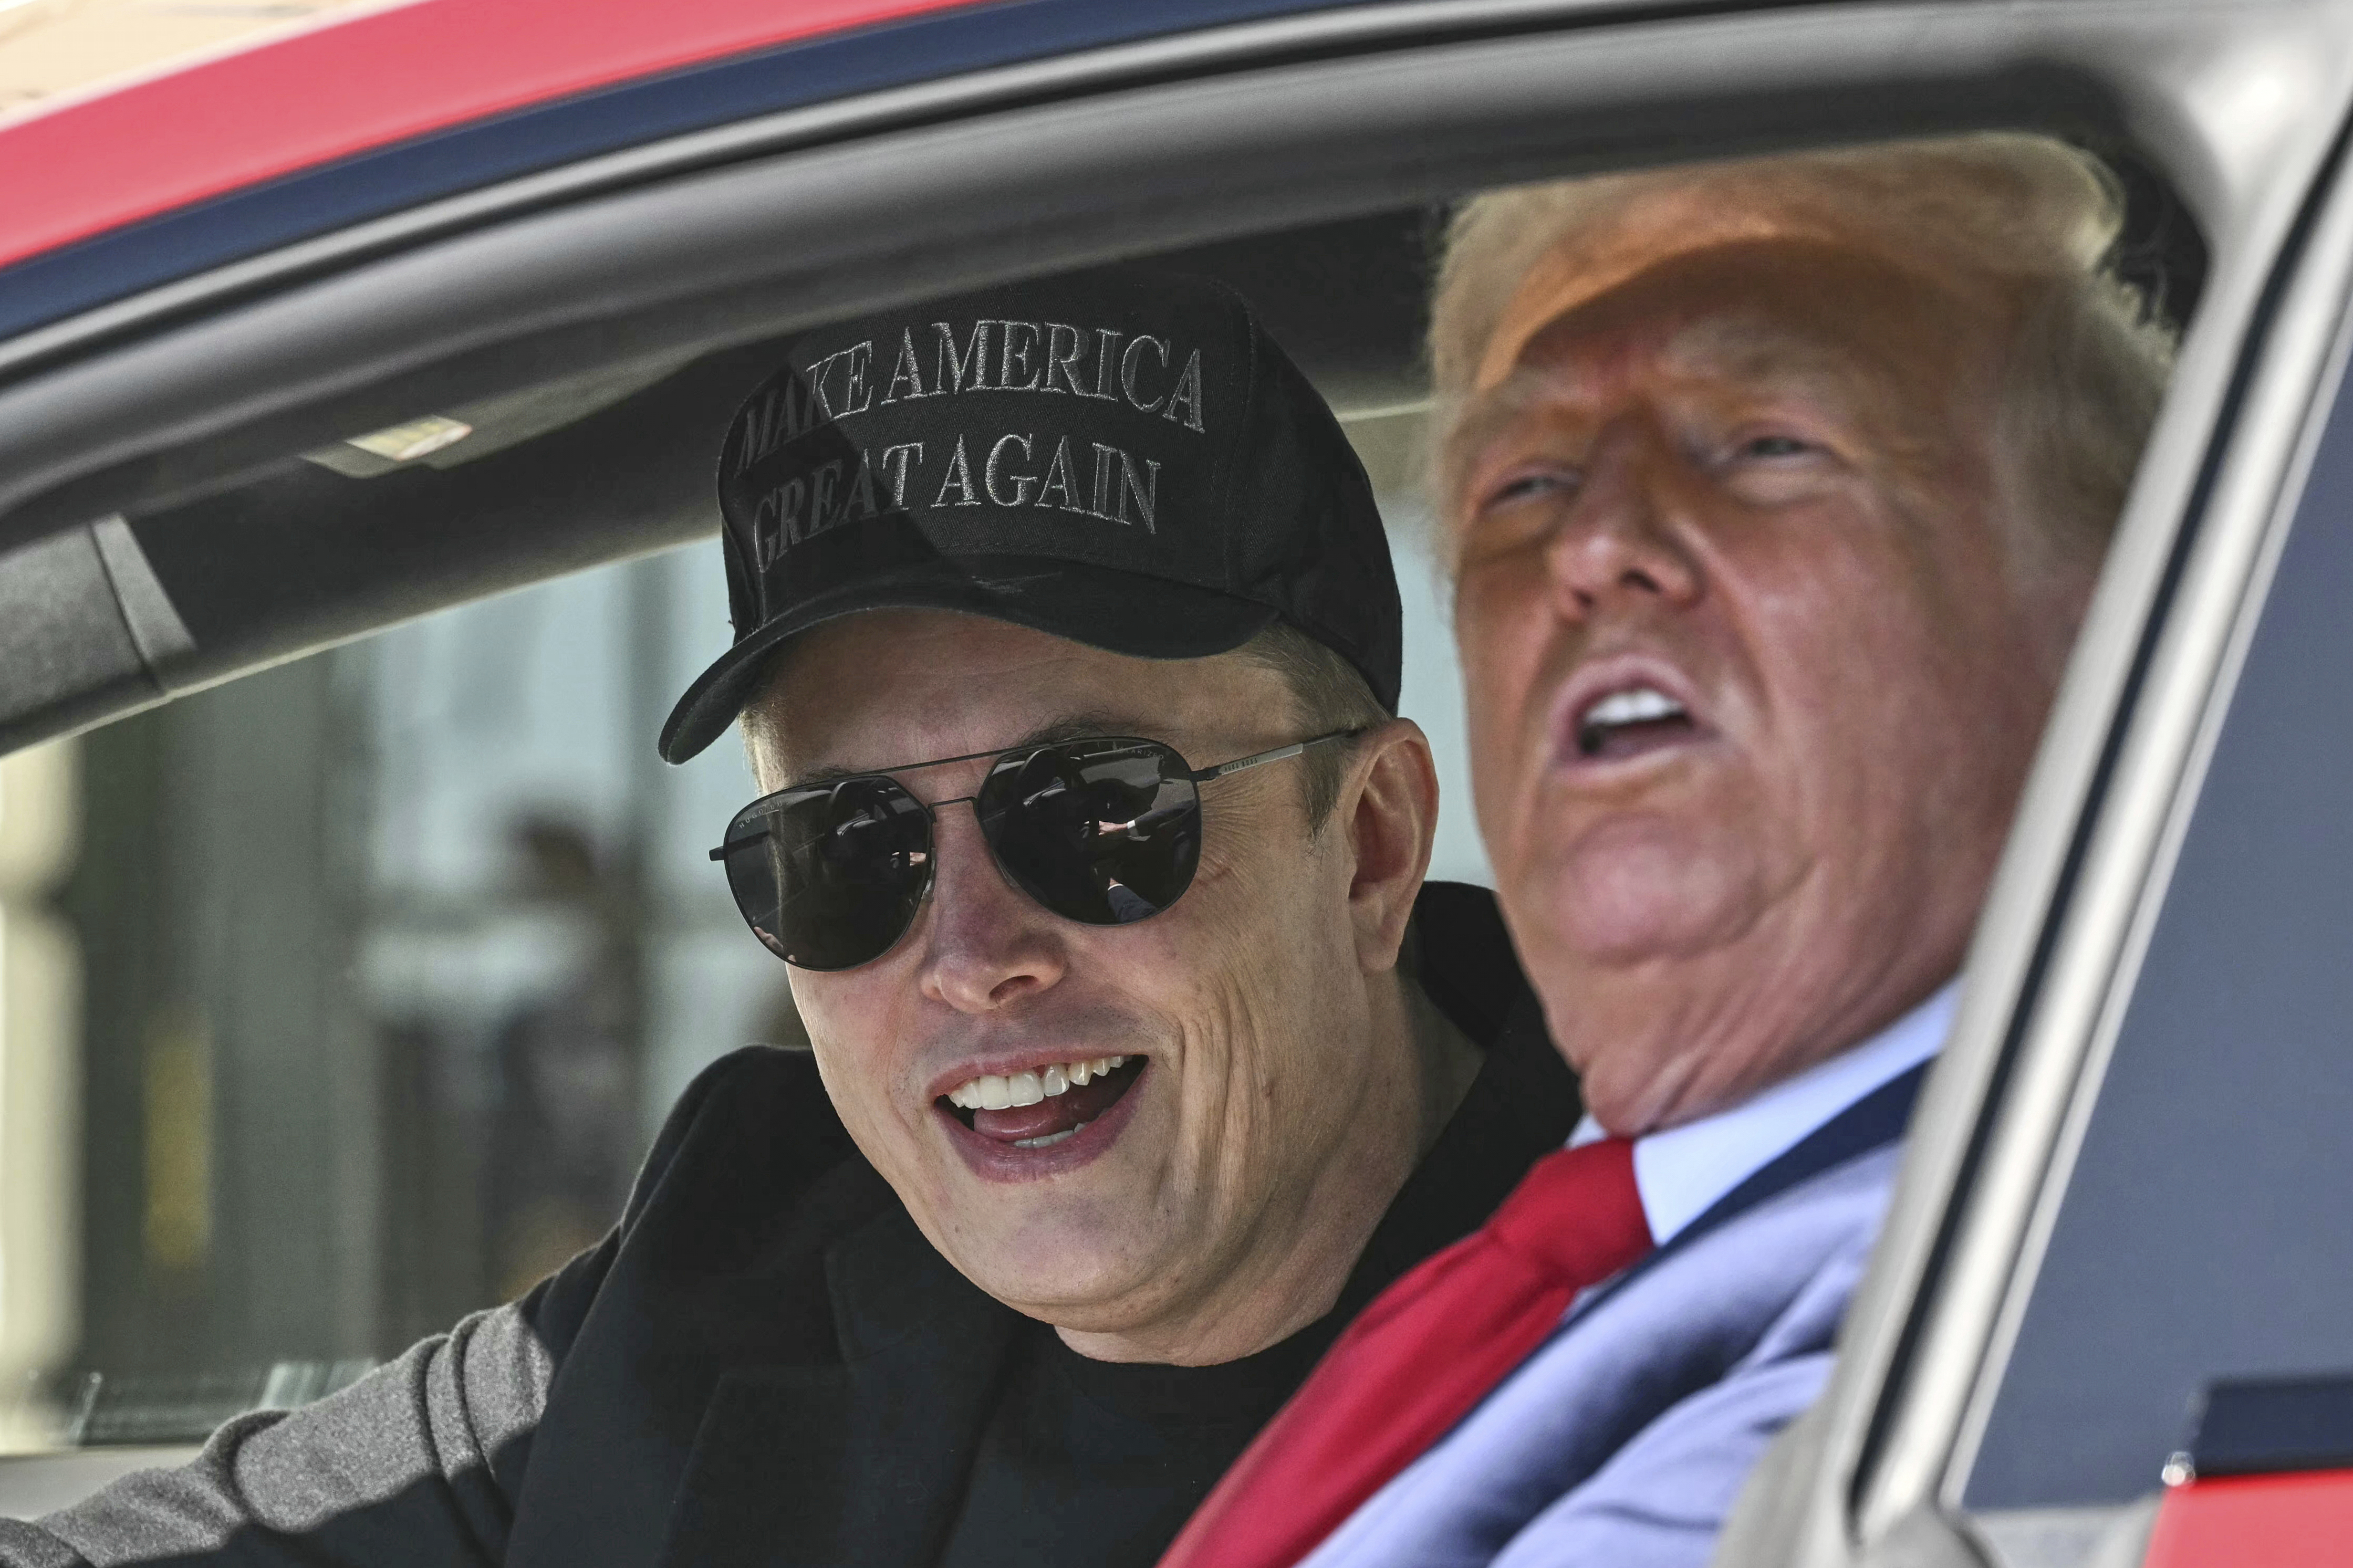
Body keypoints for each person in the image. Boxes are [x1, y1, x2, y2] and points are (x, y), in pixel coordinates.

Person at [0, 269, 1582, 1567]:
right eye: (847, 853)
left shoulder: (1720, 1325)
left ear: (1369, 846)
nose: (970, 956)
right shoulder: (746, 1252)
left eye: (1096, 814)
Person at [1159, 133, 2176, 1568]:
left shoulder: (2034, 1313)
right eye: (1525, 485)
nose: (1596, 544)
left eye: (1767, 443)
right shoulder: (1609, 1262)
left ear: (2112, 623)